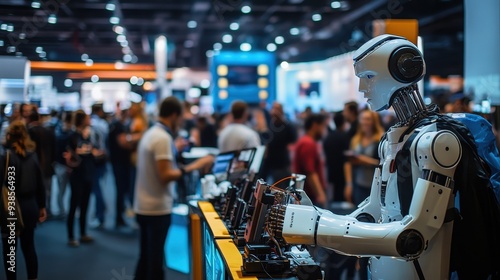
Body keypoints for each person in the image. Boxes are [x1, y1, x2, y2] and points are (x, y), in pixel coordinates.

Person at [133, 96, 213, 280]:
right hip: (156, 208)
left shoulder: (153, 133)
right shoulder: (162, 138)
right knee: (154, 262)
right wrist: (197, 165)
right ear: (175, 115)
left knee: (146, 259)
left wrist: (174, 149)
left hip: (145, 205)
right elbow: (166, 175)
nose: (182, 122)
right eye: (181, 118)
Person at [1, 120, 47, 280]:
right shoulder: (33, 157)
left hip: (12, 209)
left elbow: (9, 187)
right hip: (31, 207)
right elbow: (41, 185)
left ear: (8, 136)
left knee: (10, 251)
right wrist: (42, 206)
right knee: (29, 247)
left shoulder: (6, 158)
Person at [66, 110, 102, 247]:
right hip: (77, 175)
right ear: (82, 120)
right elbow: (70, 156)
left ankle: (82, 233)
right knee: (74, 205)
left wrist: (96, 154)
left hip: (88, 174)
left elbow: (91, 154)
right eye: (87, 118)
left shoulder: (88, 136)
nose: (90, 120)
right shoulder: (73, 136)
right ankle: (71, 236)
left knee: (86, 205)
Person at [292, 113, 328, 207]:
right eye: (323, 126)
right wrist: (320, 194)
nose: (324, 131)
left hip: (308, 193)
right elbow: (310, 172)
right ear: (315, 125)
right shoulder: (308, 143)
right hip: (310, 195)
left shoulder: (306, 141)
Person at [27, 110, 56, 218]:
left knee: (36, 189)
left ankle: (39, 210)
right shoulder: (48, 131)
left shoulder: (28, 132)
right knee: (47, 190)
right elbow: (54, 149)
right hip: (48, 166)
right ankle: (46, 209)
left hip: (34, 166)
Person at [261, 102, 297, 187]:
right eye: (273, 108)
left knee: (280, 187)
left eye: (277, 109)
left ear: (282, 111)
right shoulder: (268, 123)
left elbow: (293, 140)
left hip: (281, 163)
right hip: (268, 161)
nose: (275, 111)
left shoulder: (287, 125)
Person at [108, 108, 132, 228]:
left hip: (120, 162)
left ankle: (120, 216)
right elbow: (123, 143)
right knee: (121, 190)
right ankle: (119, 217)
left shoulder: (118, 125)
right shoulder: (118, 126)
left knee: (122, 190)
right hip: (119, 163)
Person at [323, 111, 350, 202]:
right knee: (341, 194)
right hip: (342, 171)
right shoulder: (345, 136)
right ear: (343, 122)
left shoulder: (329, 137)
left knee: (334, 194)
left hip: (331, 169)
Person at [90, 103, 108, 228]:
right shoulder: (103, 124)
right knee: (98, 187)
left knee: (97, 188)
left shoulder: (94, 124)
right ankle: (101, 210)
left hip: (95, 159)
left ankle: (100, 214)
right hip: (102, 158)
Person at [54, 111, 73, 217]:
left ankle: (65, 209)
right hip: (61, 164)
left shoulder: (65, 131)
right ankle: (61, 209)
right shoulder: (60, 131)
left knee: (66, 189)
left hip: (63, 164)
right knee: (62, 189)